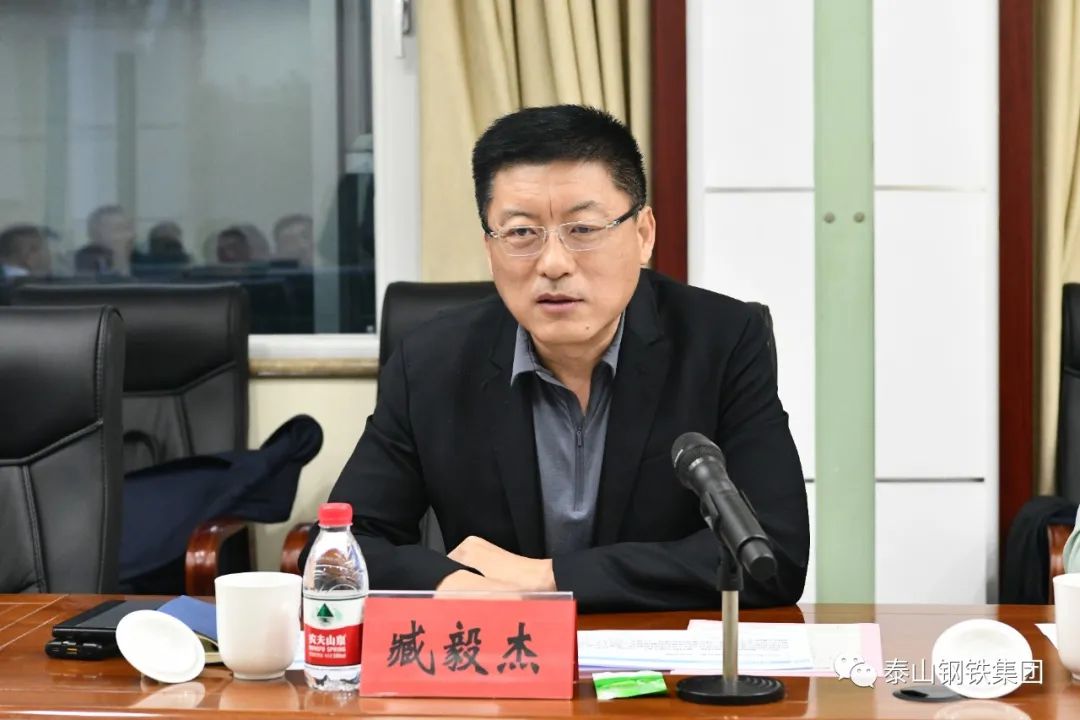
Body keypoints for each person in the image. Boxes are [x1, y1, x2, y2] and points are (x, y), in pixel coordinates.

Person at [322, 105, 810, 612]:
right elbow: (341, 548)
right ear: (489, 248)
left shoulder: (721, 341)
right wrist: (453, 585)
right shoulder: (431, 361)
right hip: (502, 651)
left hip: (655, 654)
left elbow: (773, 553)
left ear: (643, 234)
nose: (553, 263)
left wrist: (548, 577)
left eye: (583, 229)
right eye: (521, 233)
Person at [75, 205, 136, 275]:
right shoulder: (80, 262)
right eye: (119, 229)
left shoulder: (143, 261)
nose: (130, 235)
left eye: (129, 228)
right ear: (96, 236)